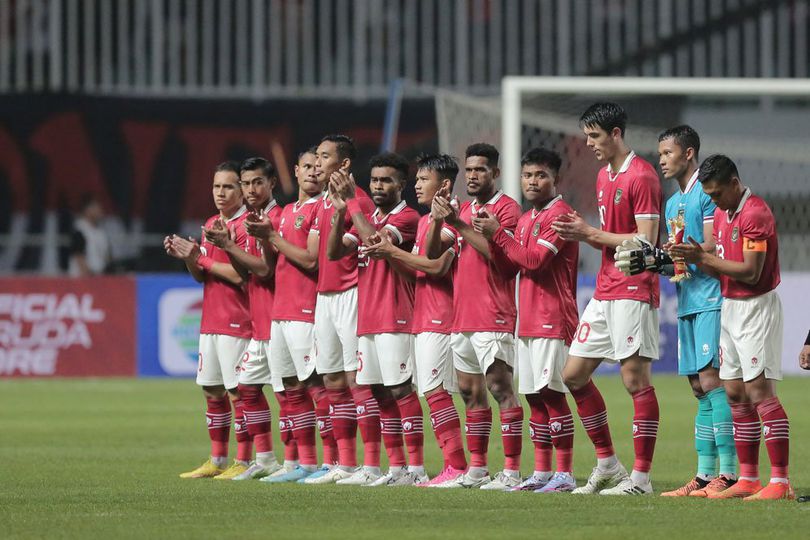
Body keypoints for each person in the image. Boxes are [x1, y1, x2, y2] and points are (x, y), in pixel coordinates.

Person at [617, 126, 738, 497]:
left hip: (710, 299)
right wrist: (654, 263)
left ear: (688, 154)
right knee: (697, 387)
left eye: (667, 153)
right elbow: (681, 263)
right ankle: (704, 476)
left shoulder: (706, 194)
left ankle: (730, 475)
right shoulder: (672, 204)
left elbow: (710, 248)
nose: (661, 160)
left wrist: (665, 255)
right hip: (687, 298)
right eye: (659, 154)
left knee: (712, 381)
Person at [551, 102, 662, 495]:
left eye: (595, 136)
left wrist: (589, 234)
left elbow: (647, 240)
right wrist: (589, 234)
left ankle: (641, 480)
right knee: (573, 375)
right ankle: (608, 465)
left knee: (635, 380)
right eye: (587, 136)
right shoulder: (603, 176)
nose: (589, 143)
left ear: (616, 134)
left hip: (634, 287)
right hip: (604, 289)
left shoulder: (642, 175)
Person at [670, 154, 793, 500]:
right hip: (731, 307)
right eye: (708, 195)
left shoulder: (755, 213)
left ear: (735, 185)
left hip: (756, 307)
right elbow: (720, 269)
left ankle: (780, 482)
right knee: (735, 391)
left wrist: (705, 258)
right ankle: (750, 479)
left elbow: (752, 273)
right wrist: (691, 257)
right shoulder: (724, 214)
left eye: (717, 193)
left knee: (759, 391)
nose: (713, 201)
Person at [474, 148, 578, 493]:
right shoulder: (527, 218)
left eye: (541, 175)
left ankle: (564, 473)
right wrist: (495, 239)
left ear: (555, 180)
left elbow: (534, 262)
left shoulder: (560, 215)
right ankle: (543, 471)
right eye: (528, 176)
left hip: (553, 317)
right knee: (534, 395)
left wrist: (498, 235)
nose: (533, 182)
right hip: (528, 319)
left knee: (552, 393)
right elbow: (511, 266)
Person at [362, 153, 468, 486]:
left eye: (424, 180)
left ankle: (459, 465)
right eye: (418, 179)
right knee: (433, 392)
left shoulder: (456, 218)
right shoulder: (425, 221)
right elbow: (419, 264)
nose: (418, 185)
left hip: (444, 315)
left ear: (445, 185)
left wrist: (391, 251)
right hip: (423, 315)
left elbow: (435, 266)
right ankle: (454, 466)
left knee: (440, 392)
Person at [428, 143, 523, 490]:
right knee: (470, 393)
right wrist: (439, 218)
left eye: (480, 169)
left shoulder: (507, 209)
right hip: (463, 316)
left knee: (501, 389)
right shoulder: (464, 209)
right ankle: (478, 469)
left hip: (494, 315)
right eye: (468, 170)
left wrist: (461, 226)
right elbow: (433, 253)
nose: (472, 175)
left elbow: (506, 260)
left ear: (495, 173)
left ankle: (511, 472)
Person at [327, 152, 426, 486]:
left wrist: (353, 201)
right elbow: (334, 253)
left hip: (396, 315)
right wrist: (341, 212)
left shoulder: (407, 217)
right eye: (374, 181)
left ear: (402, 183)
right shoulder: (370, 215)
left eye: (387, 180)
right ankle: (396, 468)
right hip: (369, 316)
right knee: (380, 393)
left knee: (400, 389)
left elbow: (373, 241)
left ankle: (416, 469)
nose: (380, 186)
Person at [244, 148, 328, 483]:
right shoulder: (290, 209)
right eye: (306, 166)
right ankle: (302, 463)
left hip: (306, 309)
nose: (312, 172)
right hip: (280, 311)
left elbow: (310, 260)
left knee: (316, 386)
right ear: (295, 170)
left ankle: (334, 462)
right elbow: (271, 264)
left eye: (317, 166)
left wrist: (272, 236)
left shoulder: (321, 208)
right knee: (290, 388)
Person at [166, 161, 252, 479]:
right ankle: (217, 460)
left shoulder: (245, 227)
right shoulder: (211, 223)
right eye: (216, 186)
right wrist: (189, 257)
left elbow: (240, 276)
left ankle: (243, 461)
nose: (220, 192)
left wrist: (199, 255)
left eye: (228, 186)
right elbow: (202, 275)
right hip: (211, 320)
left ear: (241, 190)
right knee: (212, 390)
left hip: (238, 320)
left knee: (238, 392)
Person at [202, 157, 285, 480]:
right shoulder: (252, 219)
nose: (250, 189)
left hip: (275, 320)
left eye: (255, 183)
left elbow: (263, 271)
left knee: (295, 393)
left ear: (271, 183)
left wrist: (219, 249)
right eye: (246, 183)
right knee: (248, 388)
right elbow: (247, 270)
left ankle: (307, 462)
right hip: (263, 322)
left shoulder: (275, 218)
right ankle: (263, 461)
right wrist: (195, 257)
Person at [305, 134, 380, 485]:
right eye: (316, 157)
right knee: (332, 379)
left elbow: (362, 247)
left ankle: (373, 465)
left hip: (352, 294)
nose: (317, 163)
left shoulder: (359, 201)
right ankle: (346, 464)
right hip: (325, 296)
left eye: (324, 157)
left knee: (356, 379)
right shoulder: (323, 202)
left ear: (344, 164)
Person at [68, 195, 112, 277]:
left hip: (101, 278)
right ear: (87, 210)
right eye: (96, 208)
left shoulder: (101, 232)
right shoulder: (79, 230)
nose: (100, 211)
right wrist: (90, 277)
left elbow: (107, 257)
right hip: (83, 281)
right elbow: (78, 256)